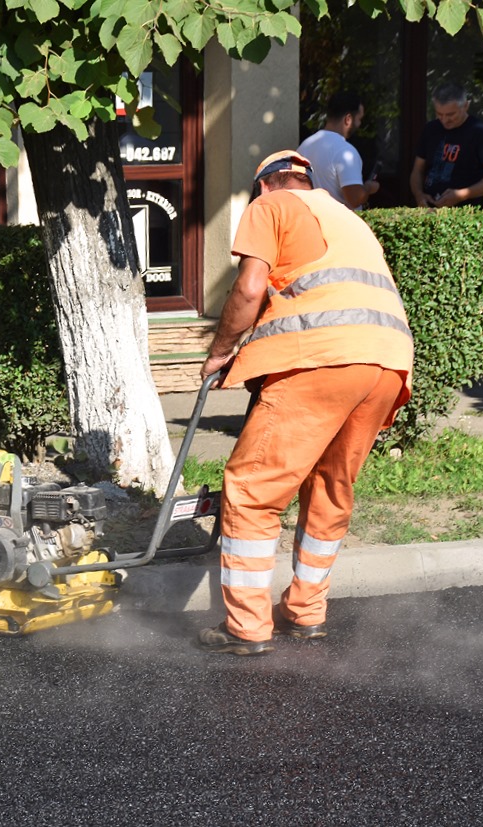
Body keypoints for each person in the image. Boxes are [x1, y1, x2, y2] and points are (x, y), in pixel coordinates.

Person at [196, 150, 414, 656]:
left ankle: (246, 628)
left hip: (322, 358)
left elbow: (251, 289)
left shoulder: (272, 205)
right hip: (387, 362)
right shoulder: (347, 217)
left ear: (265, 185)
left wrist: (221, 350)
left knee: (252, 489)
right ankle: (306, 612)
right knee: (329, 486)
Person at [409, 82, 483, 208]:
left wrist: (462, 195)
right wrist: (419, 195)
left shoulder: (480, 132)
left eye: (450, 114)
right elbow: (417, 170)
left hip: (467, 214)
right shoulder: (430, 129)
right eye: (439, 114)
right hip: (430, 211)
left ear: (466, 106)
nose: (444, 120)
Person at [296, 91, 379, 209]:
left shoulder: (304, 147)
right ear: (348, 119)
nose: (359, 124)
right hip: (338, 225)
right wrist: (368, 188)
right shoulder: (346, 152)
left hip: (312, 221)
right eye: (359, 119)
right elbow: (355, 198)